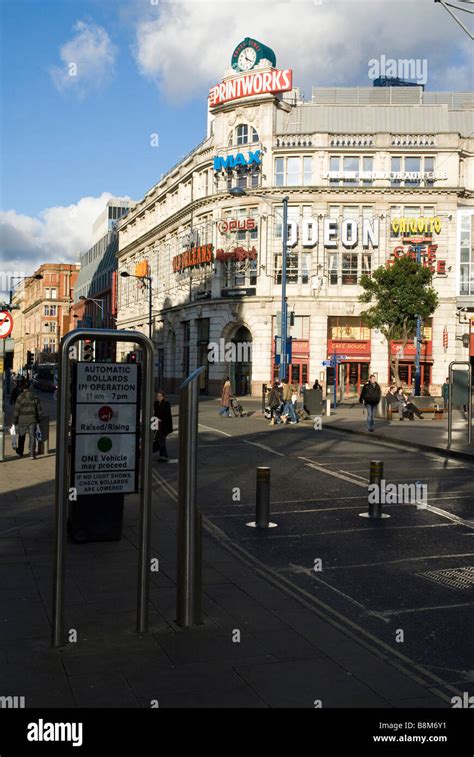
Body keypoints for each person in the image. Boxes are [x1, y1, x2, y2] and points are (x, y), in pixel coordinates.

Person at [12, 379, 42, 458]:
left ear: (22, 387)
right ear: (30, 387)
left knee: (21, 436)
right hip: (32, 419)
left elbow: (16, 410)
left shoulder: (20, 397)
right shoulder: (35, 396)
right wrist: (39, 419)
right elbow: (39, 409)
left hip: (22, 420)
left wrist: (14, 422)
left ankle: (20, 452)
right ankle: (32, 453)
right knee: (32, 436)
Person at [153, 390, 173, 462]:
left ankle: (165, 456)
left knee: (162, 441)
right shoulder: (156, 403)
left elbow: (167, 415)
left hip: (165, 426)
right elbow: (155, 414)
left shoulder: (166, 404)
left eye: (160, 396)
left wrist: (160, 419)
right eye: (157, 396)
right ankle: (162, 456)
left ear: (163, 397)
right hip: (158, 425)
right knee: (160, 441)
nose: (158, 397)